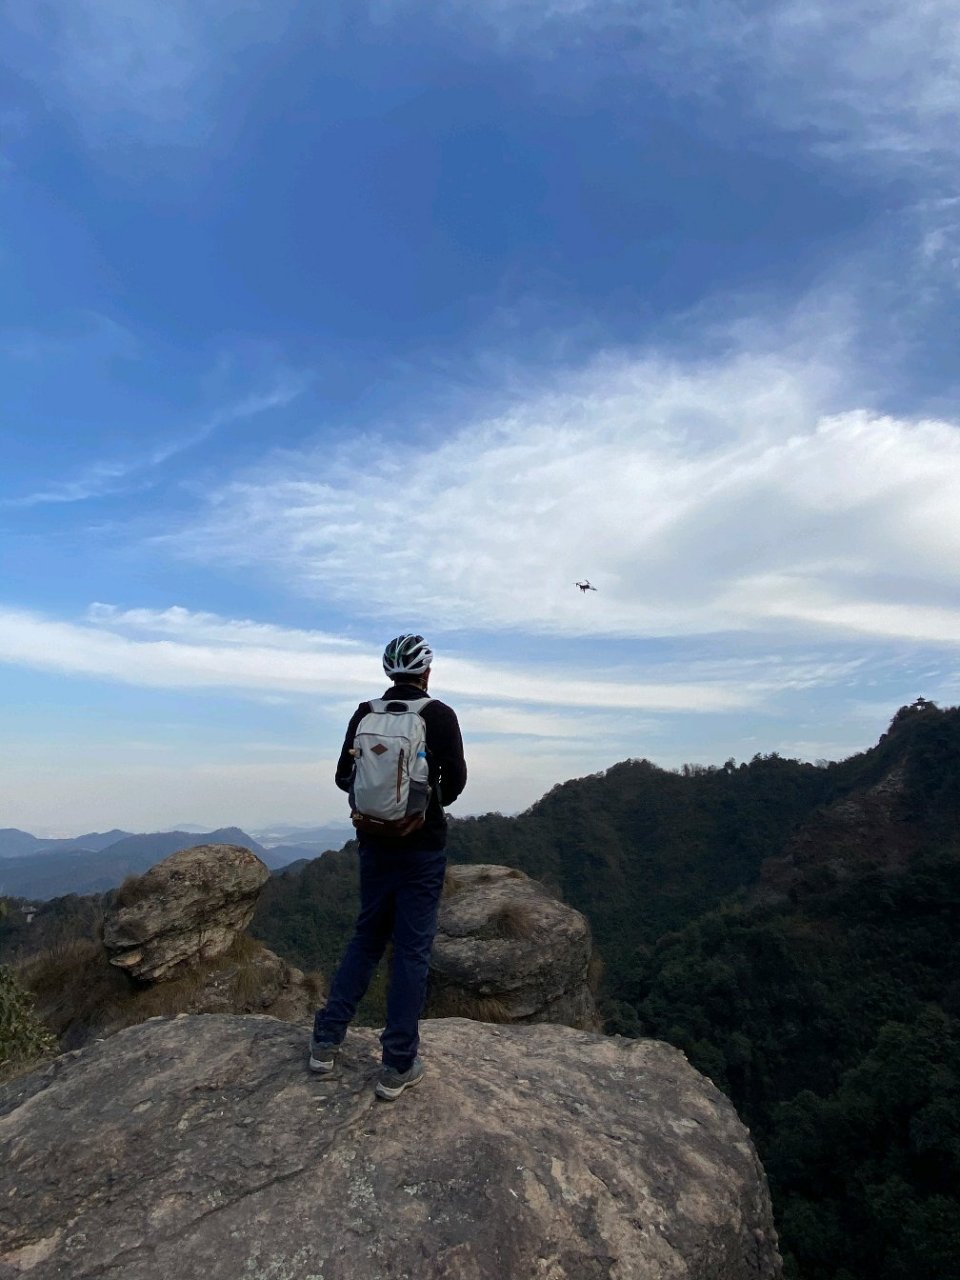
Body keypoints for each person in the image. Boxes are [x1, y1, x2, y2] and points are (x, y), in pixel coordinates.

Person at [309, 633, 467, 1100]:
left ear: (388, 672)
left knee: (367, 936)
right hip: (422, 848)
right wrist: (421, 807)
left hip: (373, 843)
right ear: (427, 673)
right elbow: (455, 781)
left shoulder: (365, 713)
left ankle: (325, 1041)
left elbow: (343, 777)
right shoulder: (438, 715)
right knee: (412, 951)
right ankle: (398, 1063)